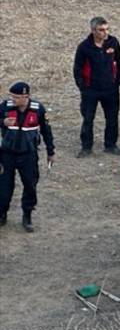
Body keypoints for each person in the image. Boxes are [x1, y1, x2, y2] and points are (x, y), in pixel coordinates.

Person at [0, 81, 56, 232]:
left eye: (16, 97)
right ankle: (2, 214)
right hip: (7, 154)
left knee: (30, 186)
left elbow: (46, 131)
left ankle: (27, 215)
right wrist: (2, 122)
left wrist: (50, 152)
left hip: (28, 155)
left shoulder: (38, 110)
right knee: (4, 187)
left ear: (25, 97)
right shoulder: (5, 107)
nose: (12, 99)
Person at [72, 16, 120, 157]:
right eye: (101, 30)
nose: (105, 33)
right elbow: (77, 69)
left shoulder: (113, 43)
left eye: (107, 29)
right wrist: (83, 88)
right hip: (91, 90)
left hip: (110, 89)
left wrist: (117, 82)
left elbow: (119, 63)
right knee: (88, 118)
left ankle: (110, 145)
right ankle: (86, 147)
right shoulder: (84, 47)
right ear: (93, 30)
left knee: (112, 118)